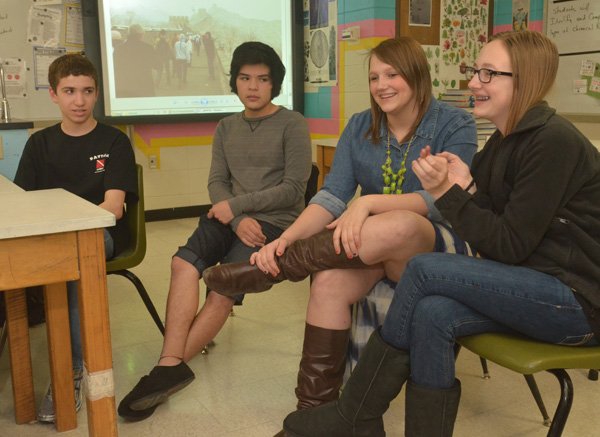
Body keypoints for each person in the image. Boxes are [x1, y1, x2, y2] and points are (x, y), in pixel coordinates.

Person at [282, 30, 600, 437]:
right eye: (475, 71)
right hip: (532, 284)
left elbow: (508, 245)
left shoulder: (553, 141)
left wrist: (449, 193)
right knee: (432, 313)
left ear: (526, 80)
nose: (472, 83)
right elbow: (493, 231)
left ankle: (355, 413)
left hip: (576, 302)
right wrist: (463, 189)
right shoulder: (503, 144)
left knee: (425, 270)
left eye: (487, 74)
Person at [203, 36, 478, 420]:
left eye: (391, 74)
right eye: (373, 77)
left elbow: (440, 201)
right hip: (370, 243)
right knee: (328, 283)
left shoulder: (455, 123)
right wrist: (285, 239)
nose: (381, 85)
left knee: (399, 222)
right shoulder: (361, 125)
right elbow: (332, 196)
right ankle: (315, 414)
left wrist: (367, 204)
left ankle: (276, 271)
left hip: (435, 247)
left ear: (417, 75)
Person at [117, 41, 312, 421]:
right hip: (233, 218)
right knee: (181, 264)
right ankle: (170, 367)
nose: (252, 86)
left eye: (262, 79)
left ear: (275, 84)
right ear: (234, 82)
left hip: (277, 223)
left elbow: (293, 189)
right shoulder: (226, 127)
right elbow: (217, 182)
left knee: (221, 287)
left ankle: (162, 371)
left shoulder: (293, 123)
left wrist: (238, 208)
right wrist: (237, 218)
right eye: (244, 78)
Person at [14, 53, 138, 423]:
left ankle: (69, 374)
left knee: (70, 269)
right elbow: (25, 202)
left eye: (87, 91)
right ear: (54, 94)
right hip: (52, 238)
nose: (79, 101)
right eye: (69, 91)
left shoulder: (115, 142)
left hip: (98, 237)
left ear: (97, 93)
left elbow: (113, 208)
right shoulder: (40, 143)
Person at [113, 24, 159, 97]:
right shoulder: (148, 48)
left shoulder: (119, 49)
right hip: (144, 88)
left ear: (128, 34)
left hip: (125, 88)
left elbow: (115, 68)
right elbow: (157, 65)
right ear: (141, 35)